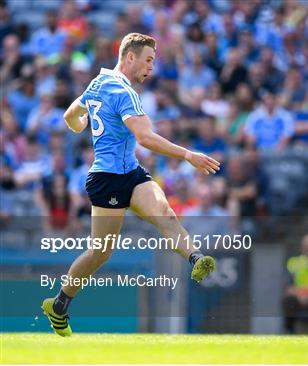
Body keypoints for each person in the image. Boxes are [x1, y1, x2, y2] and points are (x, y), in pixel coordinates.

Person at [41, 33, 220, 337]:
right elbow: (146, 138)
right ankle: (59, 304)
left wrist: (81, 126)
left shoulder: (98, 82)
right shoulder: (124, 91)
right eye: (148, 60)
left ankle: (196, 258)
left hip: (131, 172)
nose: (151, 67)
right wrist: (188, 154)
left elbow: (70, 115)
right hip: (107, 179)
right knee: (100, 253)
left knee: (165, 212)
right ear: (130, 57)